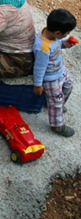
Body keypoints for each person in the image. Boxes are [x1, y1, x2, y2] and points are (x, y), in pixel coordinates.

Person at [32, 9, 77, 137]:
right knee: (56, 102)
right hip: (50, 79)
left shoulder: (52, 35)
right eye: (67, 33)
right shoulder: (42, 48)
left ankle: (55, 104)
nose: (68, 34)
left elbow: (56, 45)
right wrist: (38, 84)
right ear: (58, 32)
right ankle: (57, 125)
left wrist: (64, 44)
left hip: (60, 71)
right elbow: (39, 67)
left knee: (68, 86)